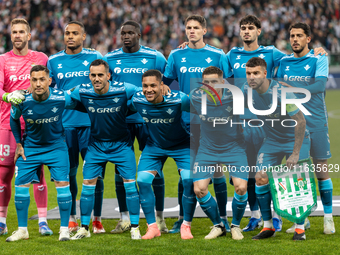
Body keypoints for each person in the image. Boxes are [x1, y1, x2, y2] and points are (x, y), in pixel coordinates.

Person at [221, 15, 326, 232]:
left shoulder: (272, 54)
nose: (246, 31)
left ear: (259, 31)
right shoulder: (231, 55)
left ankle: (281, 219)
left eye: (250, 28)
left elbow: (296, 56)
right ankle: (256, 216)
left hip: (267, 127)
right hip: (244, 123)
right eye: (243, 28)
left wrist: (317, 49)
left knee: (278, 174)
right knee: (252, 174)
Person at [164, 14, 229, 234]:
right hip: (184, 122)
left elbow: (227, 87)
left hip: (212, 123)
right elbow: (165, 85)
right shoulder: (176, 55)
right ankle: (182, 218)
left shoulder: (218, 55)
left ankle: (223, 217)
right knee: (185, 173)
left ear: (204, 30)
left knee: (217, 171)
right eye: (188, 28)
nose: (191, 31)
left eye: (195, 28)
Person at [103, 20, 169, 234]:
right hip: (120, 121)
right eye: (123, 33)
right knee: (120, 169)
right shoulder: (110, 59)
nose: (126, 36)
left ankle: (159, 219)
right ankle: (124, 219)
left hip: (148, 120)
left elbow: (166, 82)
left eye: (130, 33)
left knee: (155, 166)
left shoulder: (155, 57)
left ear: (140, 34)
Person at [69, 59, 141, 240]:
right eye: (93, 75)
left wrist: (162, 88)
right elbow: (63, 97)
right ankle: (84, 228)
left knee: (130, 186)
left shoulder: (125, 89)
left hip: (121, 145)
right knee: (87, 187)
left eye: (100, 75)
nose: (96, 79)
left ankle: (135, 227)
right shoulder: (82, 91)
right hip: (96, 146)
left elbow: (146, 92)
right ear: (89, 76)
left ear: (108, 75)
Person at [277, 22, 335, 235]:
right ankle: (303, 218)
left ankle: (328, 218)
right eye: (292, 35)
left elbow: (319, 87)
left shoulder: (319, 58)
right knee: (297, 170)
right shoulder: (283, 61)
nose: (295, 39)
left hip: (316, 120)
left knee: (321, 169)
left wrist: (293, 88)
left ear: (308, 39)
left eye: (299, 35)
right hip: (293, 123)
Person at [243, 57, 310, 241]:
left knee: (297, 180)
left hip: (295, 138)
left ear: (265, 73)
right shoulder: (246, 90)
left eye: (256, 73)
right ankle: (268, 226)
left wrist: (295, 153)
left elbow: (301, 121)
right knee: (260, 177)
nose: (251, 77)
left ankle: (299, 228)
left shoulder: (282, 93)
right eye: (248, 73)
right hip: (272, 139)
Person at [47, 21, 104, 234]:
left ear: (84, 36)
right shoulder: (53, 61)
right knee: (69, 175)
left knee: (94, 175)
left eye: (75, 33)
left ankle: (96, 219)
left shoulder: (95, 57)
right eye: (67, 33)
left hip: (92, 125)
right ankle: (71, 218)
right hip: (64, 126)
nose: (70, 37)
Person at [6, 65, 74, 242]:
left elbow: (81, 104)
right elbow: (13, 120)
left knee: (63, 187)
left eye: (42, 79)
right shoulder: (22, 100)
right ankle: (22, 230)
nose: (38, 83)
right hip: (31, 148)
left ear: (49, 81)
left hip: (56, 147)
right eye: (34, 79)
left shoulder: (61, 97)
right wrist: (19, 143)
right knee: (20, 187)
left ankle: (64, 229)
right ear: (30, 81)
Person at [130, 69, 196, 240]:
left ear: (162, 85)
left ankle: (186, 225)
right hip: (155, 145)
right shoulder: (136, 99)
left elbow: (198, 111)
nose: (148, 90)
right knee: (142, 181)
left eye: (153, 85)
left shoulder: (179, 99)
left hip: (182, 145)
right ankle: (152, 227)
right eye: (145, 86)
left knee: (189, 180)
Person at [0, 18, 51, 236]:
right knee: (4, 174)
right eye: (14, 32)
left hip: (34, 127)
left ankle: (42, 222)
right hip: (6, 125)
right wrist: (7, 96)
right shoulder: (2, 60)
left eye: (22, 32)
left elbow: (51, 87)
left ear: (29, 36)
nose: (18, 35)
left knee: (38, 173)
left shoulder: (41, 58)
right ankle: (2, 221)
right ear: (11, 36)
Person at [190, 66, 249, 240]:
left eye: (214, 82)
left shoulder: (236, 96)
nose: (209, 86)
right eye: (206, 82)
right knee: (199, 189)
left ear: (223, 83)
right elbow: (180, 101)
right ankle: (218, 225)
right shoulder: (195, 96)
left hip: (234, 147)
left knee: (241, 187)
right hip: (207, 148)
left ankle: (236, 226)